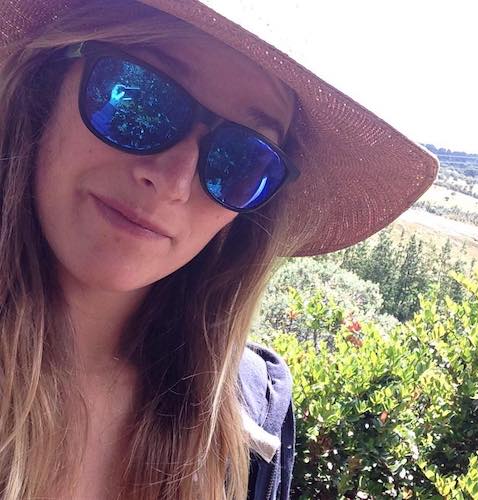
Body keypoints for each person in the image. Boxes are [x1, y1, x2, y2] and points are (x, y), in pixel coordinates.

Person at [0, 0, 438, 499]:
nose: (173, 182)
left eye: (241, 157)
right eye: (138, 100)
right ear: (45, 86)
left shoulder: (252, 426)